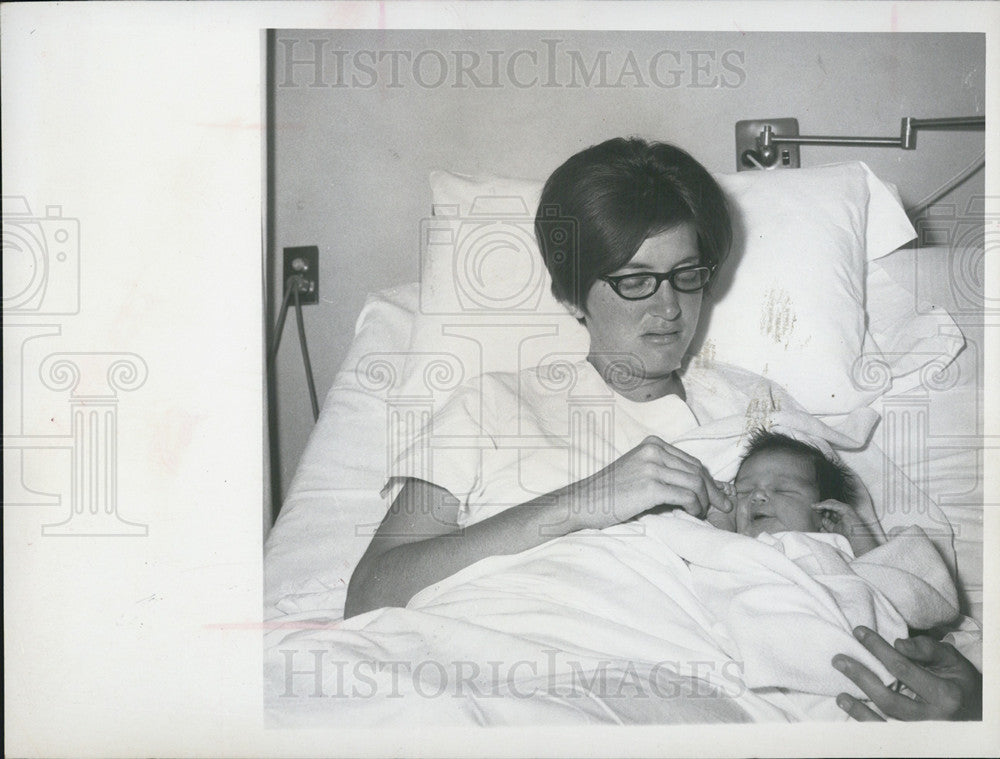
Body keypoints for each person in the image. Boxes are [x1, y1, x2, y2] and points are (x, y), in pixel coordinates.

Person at [344, 137, 980, 720]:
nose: (670, 307)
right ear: (571, 297)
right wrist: (581, 503)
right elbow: (371, 592)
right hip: (490, 672)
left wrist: (969, 704)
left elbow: (874, 573)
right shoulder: (492, 405)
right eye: (636, 281)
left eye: (688, 275)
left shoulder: (760, 409)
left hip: (692, 697)